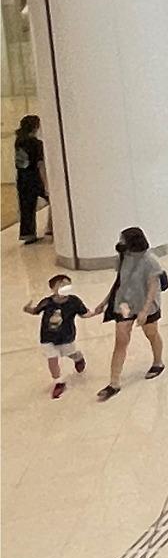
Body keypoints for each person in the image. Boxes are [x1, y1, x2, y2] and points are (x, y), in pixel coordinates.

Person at [95, 226, 167, 402]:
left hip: (145, 304)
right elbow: (120, 281)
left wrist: (144, 311)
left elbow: (152, 288)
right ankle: (114, 382)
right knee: (121, 341)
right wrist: (106, 301)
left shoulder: (150, 261)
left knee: (151, 333)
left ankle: (158, 362)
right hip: (124, 303)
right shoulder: (123, 257)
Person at [24, 273, 90, 399]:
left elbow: (84, 313)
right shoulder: (47, 302)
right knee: (52, 358)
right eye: (60, 286)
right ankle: (58, 382)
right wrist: (28, 309)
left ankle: (78, 358)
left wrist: (97, 312)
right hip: (48, 337)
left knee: (70, 353)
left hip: (66, 336)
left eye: (67, 285)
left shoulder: (74, 301)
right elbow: (36, 310)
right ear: (53, 288)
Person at [13, 115, 45, 245]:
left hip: (22, 177)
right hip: (34, 177)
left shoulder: (19, 141)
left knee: (26, 207)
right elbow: (40, 164)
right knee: (53, 200)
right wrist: (45, 182)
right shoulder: (36, 143)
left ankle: (27, 234)